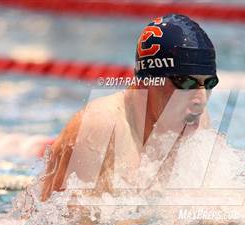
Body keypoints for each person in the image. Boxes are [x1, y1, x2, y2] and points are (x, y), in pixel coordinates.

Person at [40, 14, 219, 206]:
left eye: (209, 83)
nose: (200, 99)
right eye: (186, 82)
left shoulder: (196, 121)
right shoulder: (101, 125)